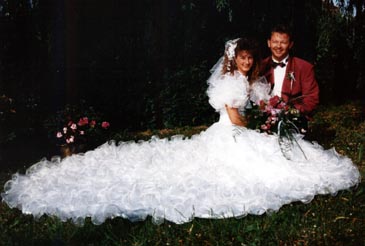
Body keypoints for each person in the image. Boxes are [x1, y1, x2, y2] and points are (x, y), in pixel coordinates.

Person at [1, 38, 360, 225]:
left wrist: (272, 117)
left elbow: (263, 104)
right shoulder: (230, 83)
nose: (248, 62)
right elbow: (235, 118)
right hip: (230, 133)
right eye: (243, 58)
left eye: (251, 58)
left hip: (242, 129)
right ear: (234, 60)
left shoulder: (251, 80)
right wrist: (260, 130)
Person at [260, 25, 319, 121]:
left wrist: (290, 112)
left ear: (291, 44)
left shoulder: (304, 67)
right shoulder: (260, 67)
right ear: (269, 43)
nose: (278, 46)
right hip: (263, 121)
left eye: (283, 42)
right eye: (275, 42)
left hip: (293, 122)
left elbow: (311, 99)